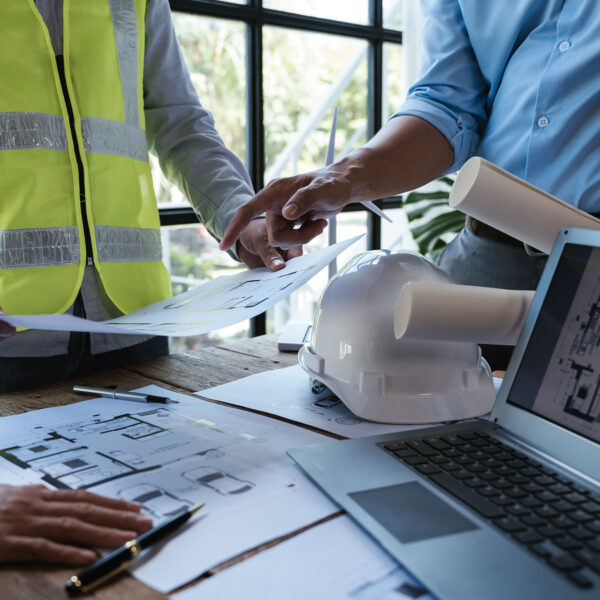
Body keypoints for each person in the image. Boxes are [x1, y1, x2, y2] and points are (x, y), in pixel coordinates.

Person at [0, 0, 296, 564]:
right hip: (10, 335)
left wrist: (242, 217)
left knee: (173, 533)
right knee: (38, 555)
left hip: (133, 323)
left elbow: (178, 120)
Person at [220, 0, 600, 368]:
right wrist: (346, 176)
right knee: (423, 420)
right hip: (489, 254)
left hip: (593, 252)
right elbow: (448, 107)